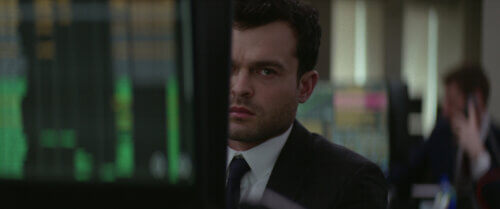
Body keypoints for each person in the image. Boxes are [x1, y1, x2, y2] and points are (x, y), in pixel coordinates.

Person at [226, 0, 388, 209]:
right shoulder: (180, 168)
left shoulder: (351, 182)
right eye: (228, 68)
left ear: (305, 87)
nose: (240, 88)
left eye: (266, 71)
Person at [405, 65, 500, 209]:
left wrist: (478, 155)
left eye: (451, 101)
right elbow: (409, 170)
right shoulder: (442, 131)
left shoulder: (496, 141)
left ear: (476, 99)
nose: (445, 111)